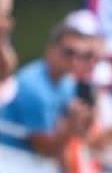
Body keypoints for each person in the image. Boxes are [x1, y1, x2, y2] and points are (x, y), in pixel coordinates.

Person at [0, 12, 97, 156]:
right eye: (69, 52)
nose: (74, 60)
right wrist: (72, 126)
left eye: (81, 55)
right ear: (51, 49)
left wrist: (85, 120)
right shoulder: (32, 86)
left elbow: (64, 132)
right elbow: (46, 149)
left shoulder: (68, 83)